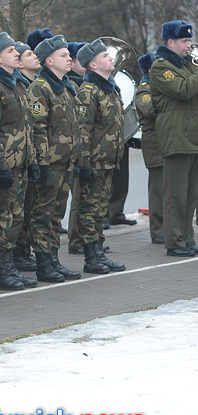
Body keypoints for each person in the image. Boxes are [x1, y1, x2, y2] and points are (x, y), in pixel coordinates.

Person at [0, 33, 38, 290]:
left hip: (21, 163)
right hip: (5, 165)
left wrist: (32, 158)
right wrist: (0, 165)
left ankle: (9, 266)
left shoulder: (18, 84)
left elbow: (27, 127)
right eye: (10, 50)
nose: (17, 54)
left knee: (15, 218)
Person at [27, 32, 82, 282]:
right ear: (49, 61)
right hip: (50, 164)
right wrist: (42, 162)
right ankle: (43, 263)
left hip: (65, 163)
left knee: (56, 215)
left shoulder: (66, 86)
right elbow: (37, 128)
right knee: (43, 215)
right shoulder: (41, 87)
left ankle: (53, 260)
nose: (69, 58)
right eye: (63, 55)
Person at [74, 39, 126, 273]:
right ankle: (90, 258)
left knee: (99, 210)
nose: (110, 58)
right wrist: (84, 163)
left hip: (108, 161)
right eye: (104, 56)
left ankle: (98, 251)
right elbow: (83, 132)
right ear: (92, 65)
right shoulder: (88, 92)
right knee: (89, 210)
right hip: (94, 162)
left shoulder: (111, 88)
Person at [148, 20, 198, 256]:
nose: (189, 45)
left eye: (189, 40)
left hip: (192, 135)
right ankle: (174, 242)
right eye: (184, 41)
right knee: (175, 194)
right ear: (170, 42)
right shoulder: (160, 66)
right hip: (177, 135)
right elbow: (183, 90)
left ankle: (187, 238)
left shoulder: (189, 64)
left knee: (190, 194)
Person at [12, 40, 41, 273]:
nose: (35, 56)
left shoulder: (26, 86)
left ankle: (23, 252)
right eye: (29, 54)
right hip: (12, 160)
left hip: (27, 158)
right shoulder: (18, 87)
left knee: (27, 209)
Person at [134, 53, 164, 244]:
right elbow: (150, 109)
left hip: (165, 142)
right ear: (150, 70)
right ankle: (158, 231)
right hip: (154, 146)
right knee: (158, 190)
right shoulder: (144, 89)